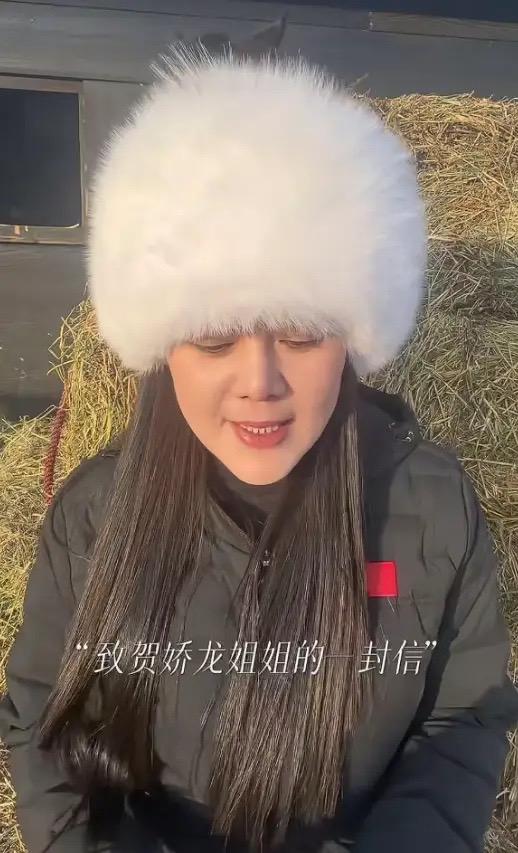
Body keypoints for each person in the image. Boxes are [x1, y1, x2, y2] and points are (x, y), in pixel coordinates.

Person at [1, 43, 517, 853]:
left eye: (302, 334)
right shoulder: (95, 519)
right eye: (214, 338)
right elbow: (45, 725)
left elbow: (460, 717)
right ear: (162, 345)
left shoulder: (432, 509)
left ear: (352, 336)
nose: (260, 383)